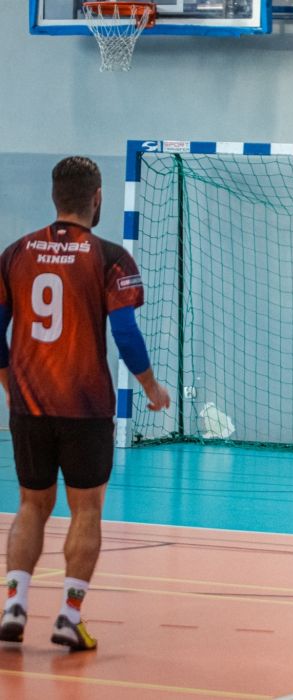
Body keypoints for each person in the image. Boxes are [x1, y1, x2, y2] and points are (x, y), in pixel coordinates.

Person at [0, 156, 171, 651]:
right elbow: (125, 333)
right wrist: (150, 386)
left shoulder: (14, 254)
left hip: (29, 407)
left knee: (31, 504)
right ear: (97, 198)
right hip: (86, 407)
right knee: (86, 510)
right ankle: (68, 617)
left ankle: (14, 606)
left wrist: (11, 386)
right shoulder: (110, 258)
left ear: (55, 196)